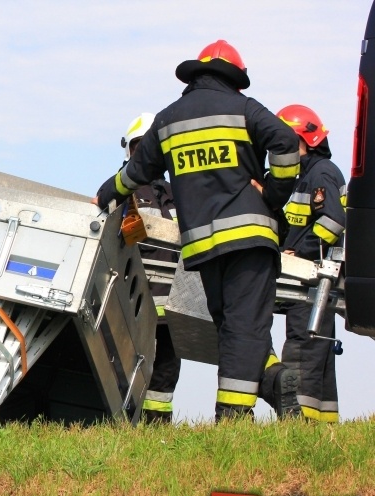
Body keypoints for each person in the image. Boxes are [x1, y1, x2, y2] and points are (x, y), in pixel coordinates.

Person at [94, 40, 302, 421]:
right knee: (246, 325)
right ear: (234, 80)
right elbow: (287, 143)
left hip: (204, 248)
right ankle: (234, 416)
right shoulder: (244, 109)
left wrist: (106, 193)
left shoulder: (170, 118)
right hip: (249, 238)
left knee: (228, 325)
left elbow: (137, 172)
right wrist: (274, 193)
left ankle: (271, 382)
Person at [94, 113, 181, 423]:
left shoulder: (177, 194)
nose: (145, 154)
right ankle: (120, 424)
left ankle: (157, 431)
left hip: (172, 304)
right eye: (139, 147)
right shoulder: (118, 190)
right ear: (128, 150)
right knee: (122, 365)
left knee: (166, 371)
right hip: (130, 302)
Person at [277, 104, 346, 422]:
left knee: (304, 347)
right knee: (317, 351)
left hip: (313, 278)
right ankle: (322, 425)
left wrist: (300, 252)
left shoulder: (321, 173)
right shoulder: (305, 176)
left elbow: (333, 221)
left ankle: (297, 424)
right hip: (311, 279)